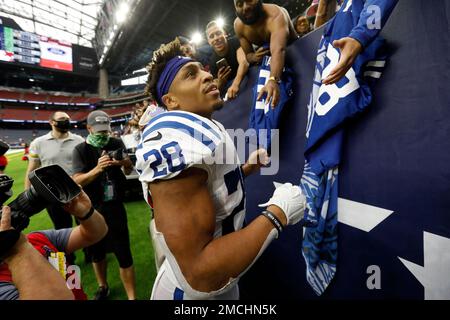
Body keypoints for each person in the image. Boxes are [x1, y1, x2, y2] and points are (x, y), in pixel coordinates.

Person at [136, 38, 306, 300]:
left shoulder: (203, 125)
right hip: (192, 294)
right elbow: (199, 273)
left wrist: (246, 168)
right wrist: (276, 214)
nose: (206, 75)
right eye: (190, 75)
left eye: (202, 69)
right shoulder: (176, 140)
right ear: (170, 101)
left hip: (224, 279)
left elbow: (210, 186)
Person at [72, 110, 136, 300]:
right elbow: (77, 181)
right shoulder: (80, 150)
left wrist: (123, 162)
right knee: (96, 251)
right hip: (92, 208)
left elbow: (129, 167)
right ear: (89, 128)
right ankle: (103, 286)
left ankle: (132, 296)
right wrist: (98, 169)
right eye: (99, 131)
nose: (103, 134)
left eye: (105, 130)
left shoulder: (116, 142)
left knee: (123, 251)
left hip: (115, 205)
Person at [0, 189, 108, 300]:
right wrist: (16, 251)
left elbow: (94, 233)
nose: (6, 213)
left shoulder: (36, 239)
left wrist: (85, 213)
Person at [233, 0, 298, 108]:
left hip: (296, 54)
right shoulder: (238, 25)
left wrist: (272, 79)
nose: (245, 7)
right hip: (272, 63)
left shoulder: (276, 14)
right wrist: (254, 57)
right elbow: (248, 55)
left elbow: (278, 50)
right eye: (239, 4)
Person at [206, 21, 249, 99]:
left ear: (225, 34)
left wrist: (235, 84)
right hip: (229, 86)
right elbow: (217, 87)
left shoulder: (235, 41)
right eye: (212, 36)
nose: (216, 38)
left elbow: (244, 63)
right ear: (209, 42)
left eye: (218, 33)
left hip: (246, 76)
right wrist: (221, 81)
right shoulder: (212, 61)